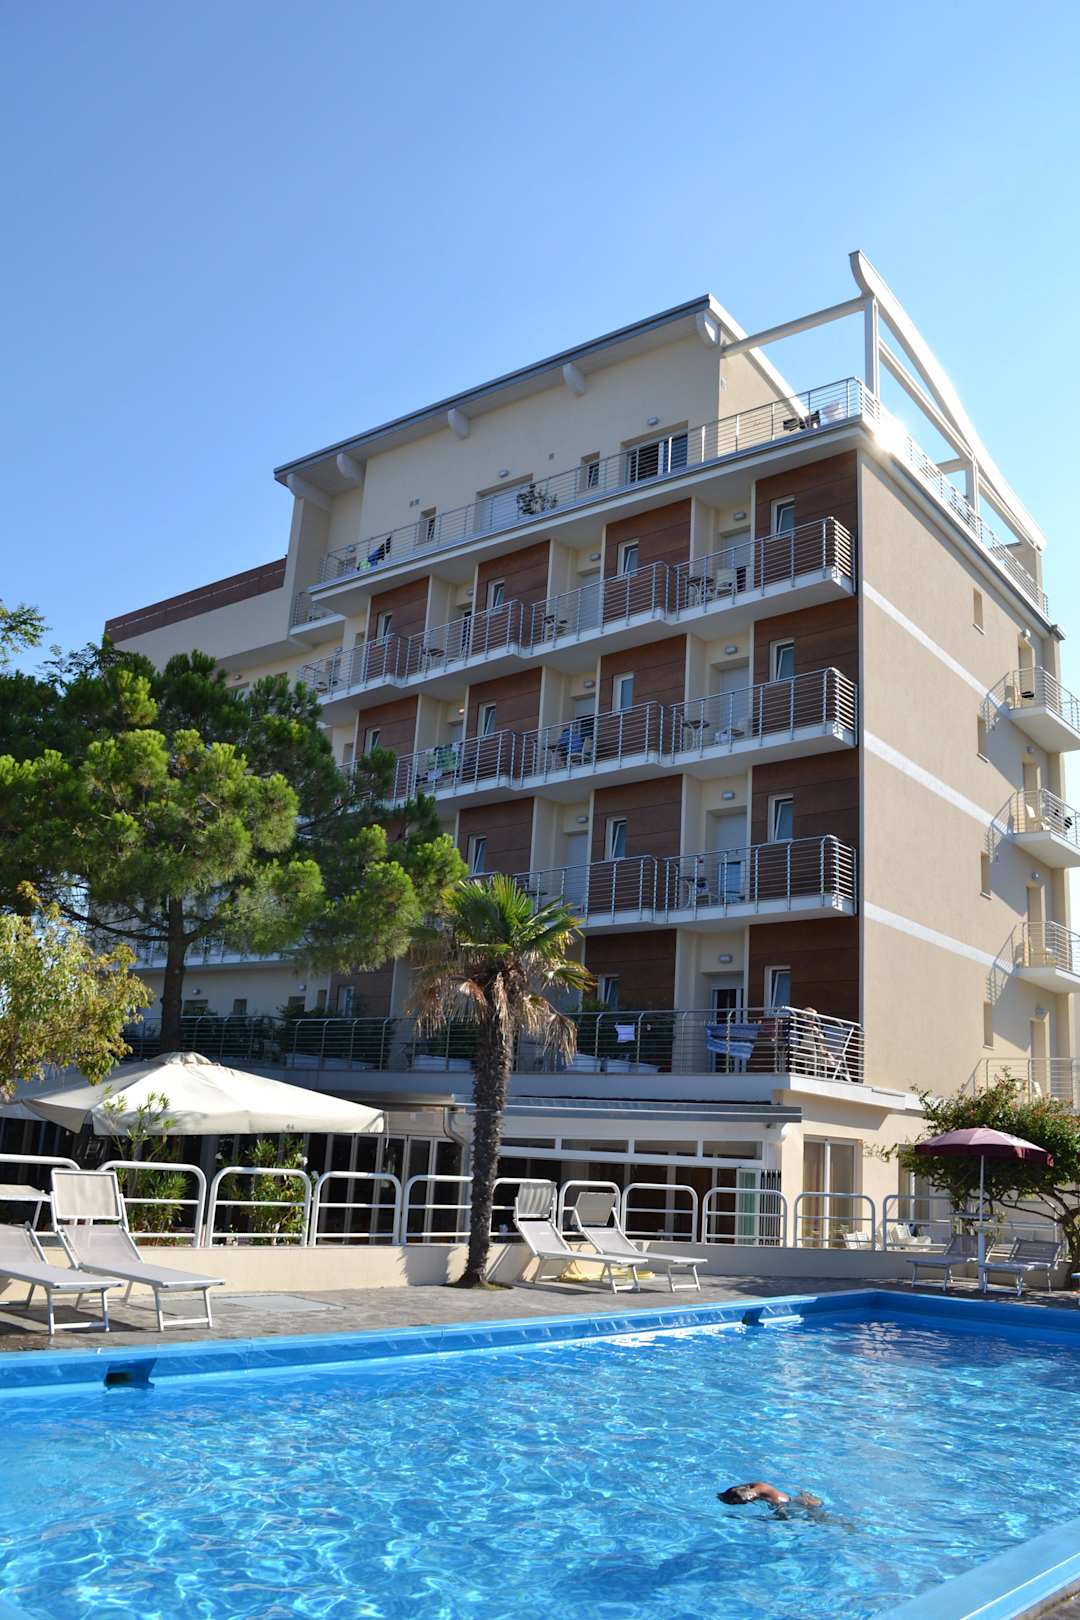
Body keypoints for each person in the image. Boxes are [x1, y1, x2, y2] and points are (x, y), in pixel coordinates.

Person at [719, 1482, 824, 1519]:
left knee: (817, 1518)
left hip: (792, 1505)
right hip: (802, 1497)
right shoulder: (759, 1485)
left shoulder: (775, 1500)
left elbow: (780, 1516)